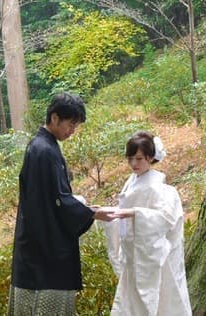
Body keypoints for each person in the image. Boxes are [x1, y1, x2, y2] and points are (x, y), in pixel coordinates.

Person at [10, 92, 117, 315]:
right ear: (55, 118)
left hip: (35, 246)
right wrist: (91, 213)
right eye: (70, 124)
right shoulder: (45, 151)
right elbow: (58, 200)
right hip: (45, 254)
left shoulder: (40, 146)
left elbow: (53, 199)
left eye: (75, 126)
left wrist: (87, 211)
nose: (72, 131)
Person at [102, 131, 192, 316]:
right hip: (134, 252)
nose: (134, 164)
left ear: (150, 158)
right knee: (131, 301)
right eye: (130, 159)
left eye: (139, 159)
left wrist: (135, 213)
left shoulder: (160, 187)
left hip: (151, 253)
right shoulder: (132, 181)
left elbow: (165, 218)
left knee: (159, 299)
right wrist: (109, 212)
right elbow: (124, 210)